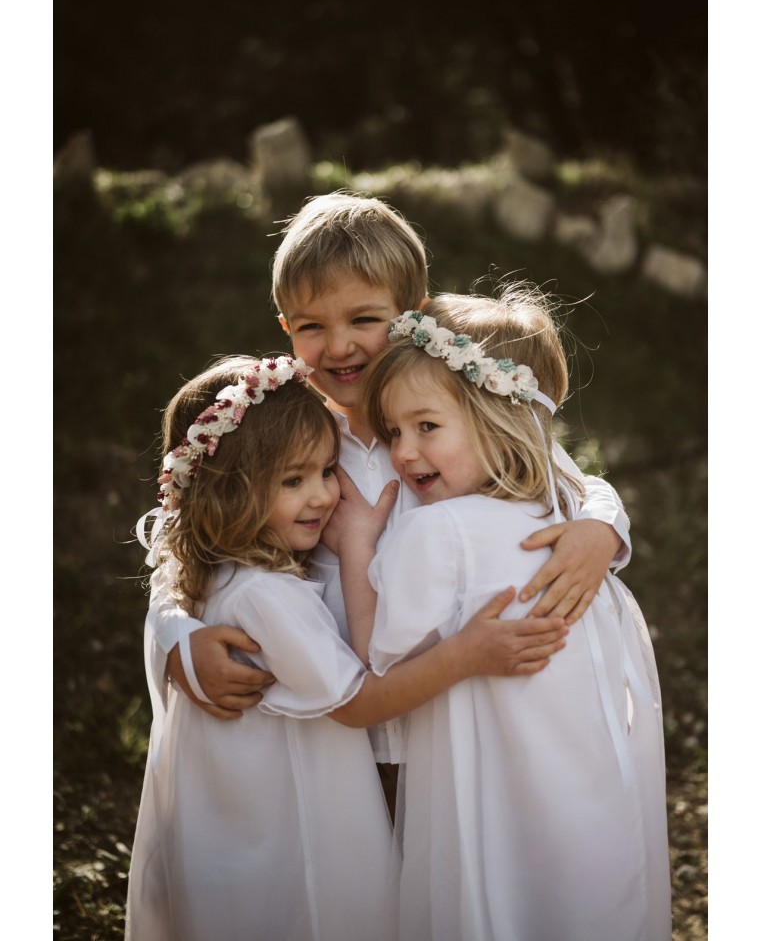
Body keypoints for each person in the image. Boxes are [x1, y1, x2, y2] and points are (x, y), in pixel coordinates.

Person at [149, 191, 632, 801]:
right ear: (285, 329)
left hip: (453, 714)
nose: (340, 346)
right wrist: (174, 635)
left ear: (414, 316)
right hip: (337, 725)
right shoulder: (286, 433)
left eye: (364, 319)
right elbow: (186, 532)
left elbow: (568, 478)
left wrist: (602, 528)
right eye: (313, 327)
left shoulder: (460, 416)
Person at [126, 354, 569, 941]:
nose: (323, 497)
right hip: (292, 813)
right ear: (229, 490)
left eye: (326, 472)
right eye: (293, 481)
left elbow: (570, 477)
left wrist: (602, 527)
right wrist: (466, 654)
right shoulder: (267, 594)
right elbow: (356, 703)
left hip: (256, 807)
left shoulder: (228, 570)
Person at [338, 288, 671, 941]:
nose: (404, 453)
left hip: (496, 784)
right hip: (589, 780)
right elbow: (587, 489)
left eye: (426, 427)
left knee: (496, 896)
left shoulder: (445, 531)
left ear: (500, 419)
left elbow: (375, 645)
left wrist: (355, 547)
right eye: (395, 432)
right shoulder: (562, 511)